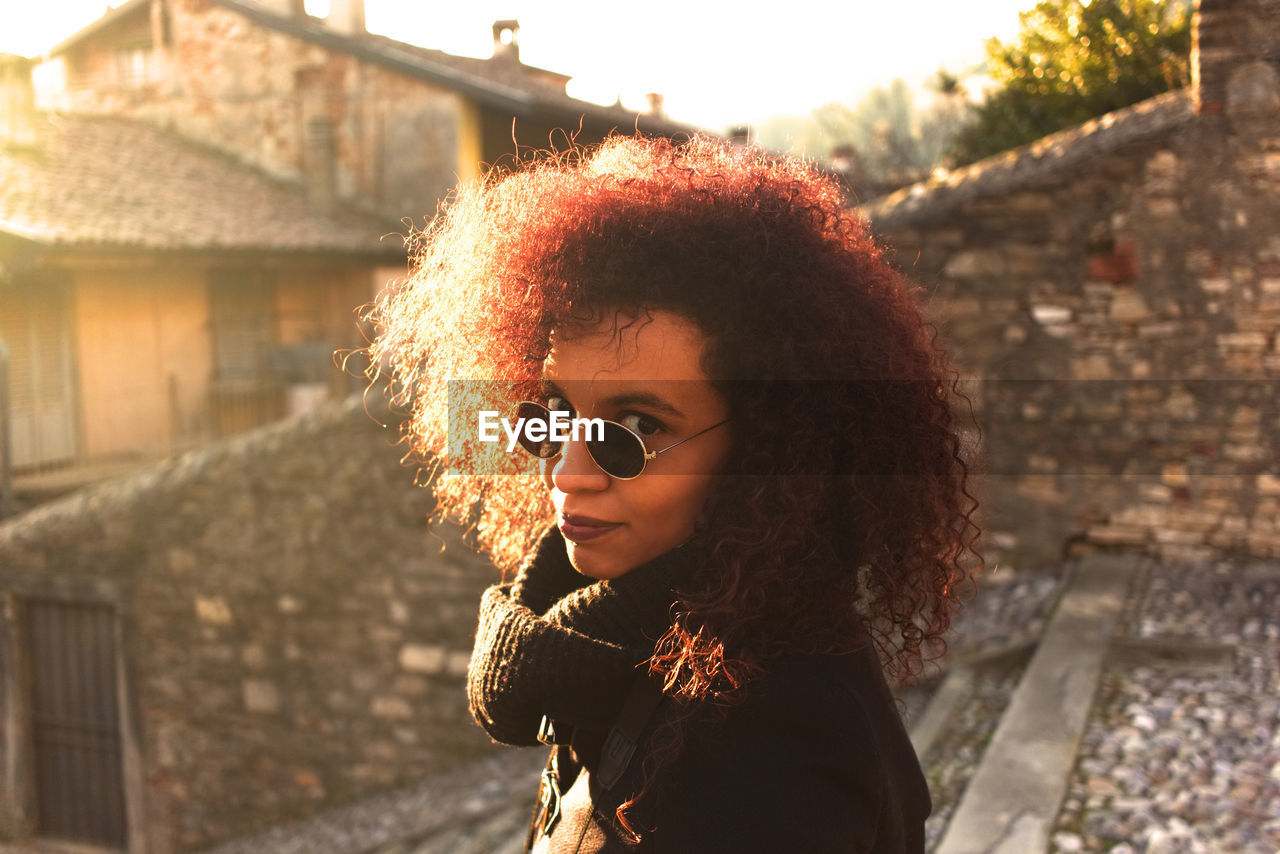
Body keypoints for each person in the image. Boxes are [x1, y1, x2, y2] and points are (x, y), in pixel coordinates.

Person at [369, 134, 981, 852]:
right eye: (554, 410)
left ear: (767, 456)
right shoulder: (626, 641)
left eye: (635, 428)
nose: (566, 472)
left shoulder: (776, 747)